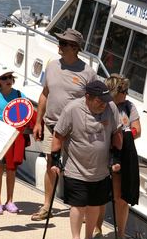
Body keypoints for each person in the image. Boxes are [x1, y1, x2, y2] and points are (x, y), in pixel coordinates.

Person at [31, 28, 97, 221]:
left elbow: (93, 104)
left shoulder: (88, 73)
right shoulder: (51, 65)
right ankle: (46, 206)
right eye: (60, 42)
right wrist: (38, 122)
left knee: (78, 169)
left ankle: (79, 208)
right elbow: (45, 93)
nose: (59, 45)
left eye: (64, 43)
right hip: (51, 125)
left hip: (76, 129)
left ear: (75, 48)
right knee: (51, 163)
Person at [50, 80, 122, 239]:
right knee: (78, 206)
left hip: (101, 169)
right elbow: (58, 135)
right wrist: (54, 161)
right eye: (99, 101)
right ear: (88, 97)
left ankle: (88, 238)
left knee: (95, 205)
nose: (103, 104)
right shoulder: (72, 109)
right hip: (76, 167)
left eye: (105, 100)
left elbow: (117, 133)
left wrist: (116, 157)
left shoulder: (110, 108)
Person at [94, 74, 141, 239]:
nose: (127, 93)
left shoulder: (129, 107)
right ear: (115, 90)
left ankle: (120, 236)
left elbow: (138, 130)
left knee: (122, 198)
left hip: (125, 153)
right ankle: (97, 231)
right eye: (123, 90)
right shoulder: (103, 106)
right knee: (101, 196)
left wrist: (126, 134)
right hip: (105, 152)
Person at [0, 67, 28, 214]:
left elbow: (26, 113)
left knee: (11, 169)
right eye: (4, 78)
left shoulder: (19, 94)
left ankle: (10, 200)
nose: (8, 80)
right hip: (0, 135)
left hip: (14, 136)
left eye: (10, 77)